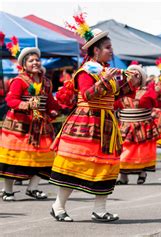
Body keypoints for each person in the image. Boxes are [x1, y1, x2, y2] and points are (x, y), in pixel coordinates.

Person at [49, 27, 141, 222]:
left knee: (107, 164)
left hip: (107, 123)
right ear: (96, 50)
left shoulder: (107, 70)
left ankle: (100, 209)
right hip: (86, 122)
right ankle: (58, 205)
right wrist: (106, 80)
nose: (111, 50)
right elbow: (87, 95)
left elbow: (116, 95)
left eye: (111, 47)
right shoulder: (86, 71)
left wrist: (131, 82)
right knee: (76, 163)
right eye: (107, 47)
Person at [0, 46, 61, 201]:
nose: (35, 62)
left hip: (40, 126)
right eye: (31, 60)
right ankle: (8, 190)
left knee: (45, 157)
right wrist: (26, 105)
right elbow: (11, 100)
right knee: (13, 159)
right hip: (19, 126)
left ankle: (33, 188)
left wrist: (54, 111)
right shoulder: (19, 81)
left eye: (37, 60)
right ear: (24, 65)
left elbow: (50, 102)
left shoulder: (46, 82)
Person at [115, 65, 159, 185]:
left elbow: (156, 103)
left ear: (141, 78)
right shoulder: (121, 91)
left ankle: (142, 172)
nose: (133, 77)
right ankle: (123, 176)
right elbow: (114, 104)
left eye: (136, 75)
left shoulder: (147, 91)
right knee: (124, 150)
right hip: (125, 125)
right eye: (131, 75)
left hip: (142, 125)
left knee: (142, 150)